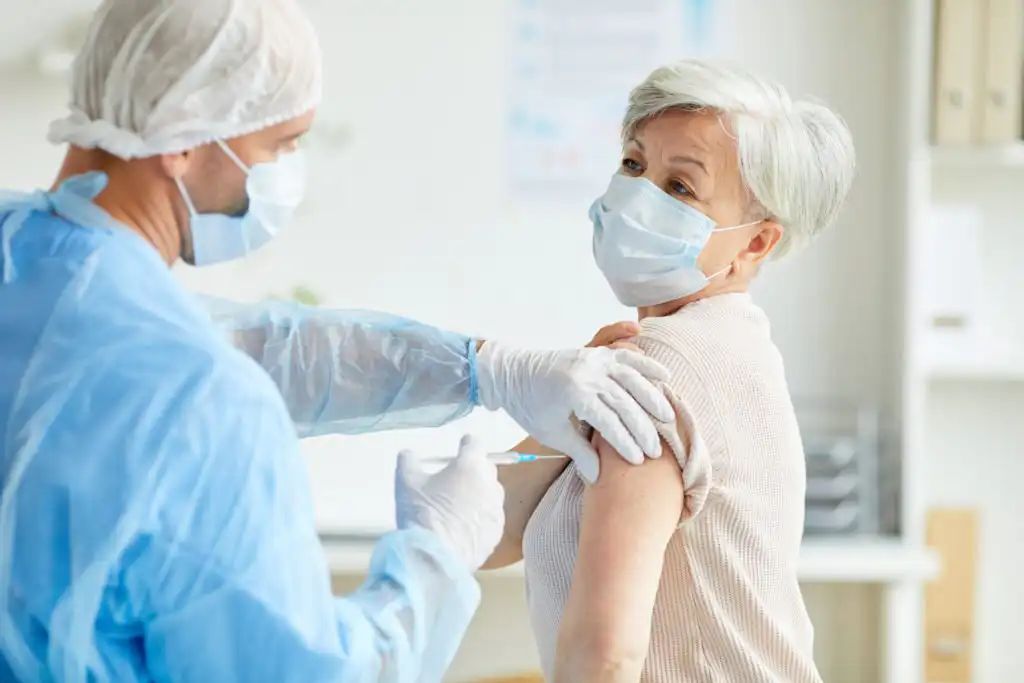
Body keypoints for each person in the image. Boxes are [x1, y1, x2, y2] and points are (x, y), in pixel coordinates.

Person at [0, 0, 675, 681]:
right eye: (281, 144)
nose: (286, 171)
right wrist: (434, 555)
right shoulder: (208, 405)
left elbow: (267, 348)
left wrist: (484, 369)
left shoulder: (28, 266)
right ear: (179, 138)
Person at [483, 59, 857, 682]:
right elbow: (485, 532)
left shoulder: (667, 360)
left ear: (756, 244)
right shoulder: (700, 348)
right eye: (634, 165)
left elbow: (603, 655)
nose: (637, 196)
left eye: (680, 187)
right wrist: (561, 409)